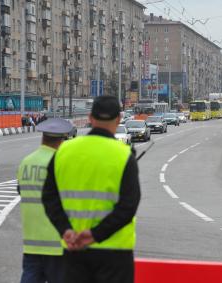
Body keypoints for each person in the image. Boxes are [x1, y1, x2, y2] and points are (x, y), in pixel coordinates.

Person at [42, 96, 141, 283]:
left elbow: (49, 198)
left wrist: (65, 230)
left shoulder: (64, 151)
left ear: (90, 117)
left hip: (74, 250)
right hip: (115, 253)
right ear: (119, 119)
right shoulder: (124, 155)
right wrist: (95, 235)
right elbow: (128, 206)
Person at [17, 118, 73, 283]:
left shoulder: (25, 162)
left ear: (43, 137)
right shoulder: (62, 163)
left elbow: (21, 192)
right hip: (58, 243)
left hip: (31, 242)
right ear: (62, 140)